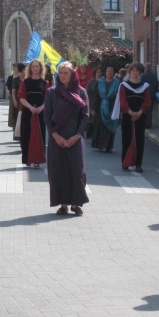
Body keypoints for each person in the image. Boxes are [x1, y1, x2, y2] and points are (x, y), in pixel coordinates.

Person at [44, 62, 89, 216]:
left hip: (75, 138)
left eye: (66, 73)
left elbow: (85, 117)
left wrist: (77, 136)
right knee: (58, 171)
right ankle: (62, 203)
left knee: (77, 170)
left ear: (72, 75)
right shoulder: (51, 92)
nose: (62, 76)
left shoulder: (81, 92)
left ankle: (76, 204)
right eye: (60, 73)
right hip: (57, 139)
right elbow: (47, 116)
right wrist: (55, 136)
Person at [112, 62, 152, 173]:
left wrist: (139, 113)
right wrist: (130, 113)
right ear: (130, 72)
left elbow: (147, 102)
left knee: (140, 140)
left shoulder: (145, 86)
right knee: (126, 139)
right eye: (133, 70)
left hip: (140, 116)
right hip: (127, 116)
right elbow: (123, 101)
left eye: (137, 71)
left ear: (140, 72)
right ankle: (125, 163)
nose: (135, 73)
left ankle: (138, 164)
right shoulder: (124, 86)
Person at [18, 60, 49, 169]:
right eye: (33, 67)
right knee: (27, 135)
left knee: (39, 136)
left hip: (40, 113)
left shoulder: (45, 83)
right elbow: (21, 98)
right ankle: (27, 159)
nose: (35, 68)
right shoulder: (25, 82)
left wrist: (41, 108)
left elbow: (48, 99)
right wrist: (31, 108)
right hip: (28, 112)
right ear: (30, 69)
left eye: (37, 66)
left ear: (40, 68)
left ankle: (37, 160)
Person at [94, 66, 120, 153]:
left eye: (111, 71)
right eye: (108, 71)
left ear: (113, 73)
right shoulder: (100, 82)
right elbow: (96, 96)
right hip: (101, 107)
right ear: (105, 73)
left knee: (111, 127)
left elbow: (119, 97)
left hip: (113, 107)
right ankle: (101, 145)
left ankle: (109, 146)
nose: (109, 73)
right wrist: (93, 108)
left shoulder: (117, 83)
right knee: (102, 126)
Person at [140, 63, 159, 128]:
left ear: (145, 68)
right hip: (152, 94)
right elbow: (157, 84)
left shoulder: (143, 76)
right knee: (150, 109)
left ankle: (145, 123)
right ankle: (149, 123)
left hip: (144, 94)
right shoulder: (154, 76)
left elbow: (141, 85)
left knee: (144, 108)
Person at [86, 67, 103, 141]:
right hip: (92, 101)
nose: (98, 73)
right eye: (97, 72)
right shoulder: (91, 82)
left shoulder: (103, 81)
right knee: (91, 119)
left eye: (100, 72)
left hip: (102, 103)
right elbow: (87, 93)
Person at [11, 63, 26, 141]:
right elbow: (13, 91)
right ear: (22, 70)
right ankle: (17, 134)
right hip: (18, 100)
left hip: (26, 101)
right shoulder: (16, 79)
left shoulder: (28, 78)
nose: (26, 70)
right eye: (24, 69)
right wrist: (14, 100)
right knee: (17, 117)